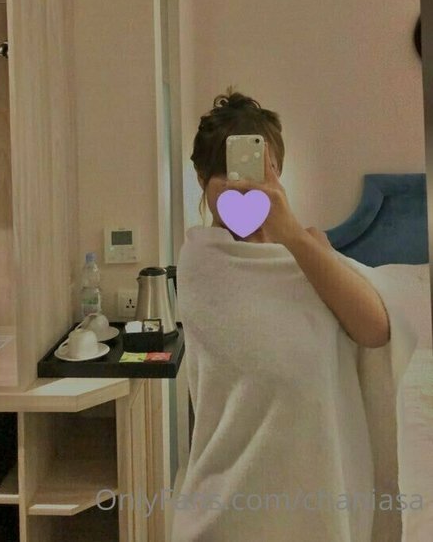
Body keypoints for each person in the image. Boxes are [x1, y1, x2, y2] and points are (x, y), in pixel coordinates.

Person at [170, 87, 418, 542]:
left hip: (313, 494)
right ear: (202, 180)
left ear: (276, 172)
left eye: (253, 169)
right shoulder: (201, 263)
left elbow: (376, 330)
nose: (239, 184)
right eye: (223, 172)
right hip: (229, 499)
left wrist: (294, 238)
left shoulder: (310, 253)